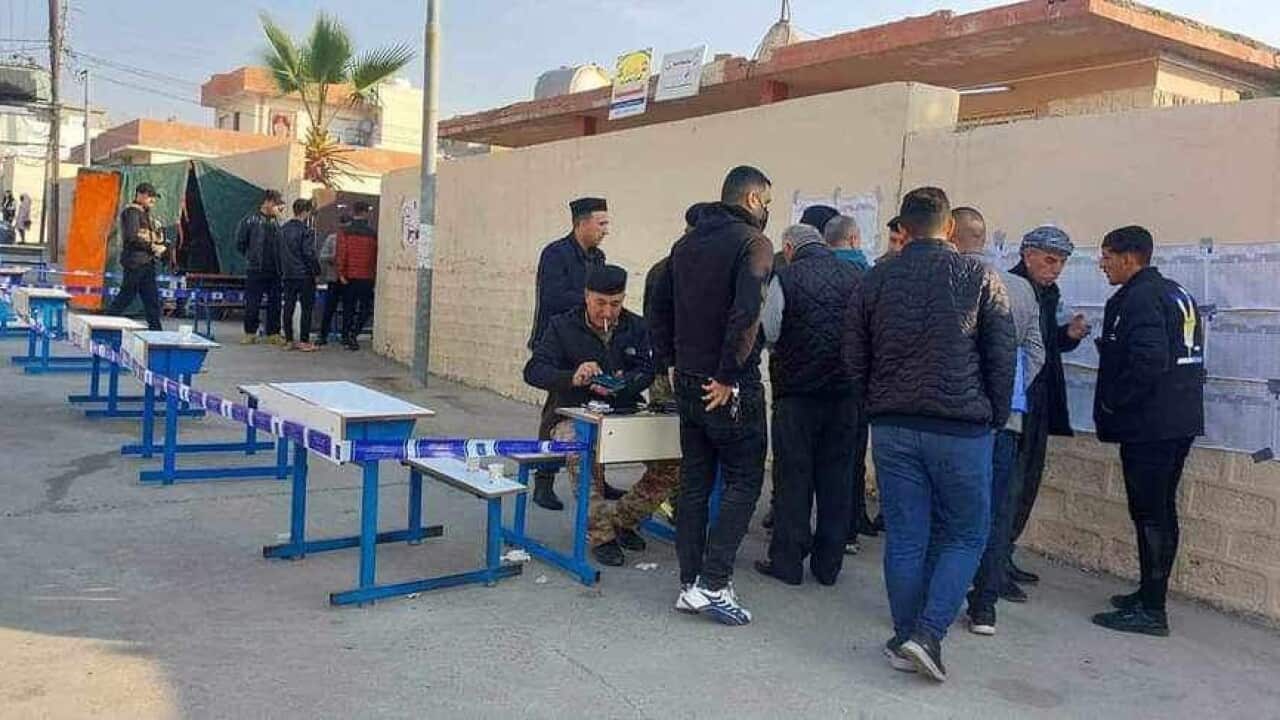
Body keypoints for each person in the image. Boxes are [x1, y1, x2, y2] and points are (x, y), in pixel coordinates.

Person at [844, 187, 1015, 682]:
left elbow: (853, 354)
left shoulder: (876, 278)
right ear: (949, 227)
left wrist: (873, 405)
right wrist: (994, 415)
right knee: (966, 533)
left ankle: (906, 636)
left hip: (893, 426)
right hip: (962, 428)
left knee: (906, 536)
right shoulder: (978, 275)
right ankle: (928, 633)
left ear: (903, 228)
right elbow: (1001, 355)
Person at [650, 165, 773, 626]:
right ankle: (714, 582)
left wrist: (669, 360)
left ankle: (690, 583)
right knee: (744, 480)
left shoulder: (685, 244)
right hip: (727, 386)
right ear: (753, 199)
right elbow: (747, 312)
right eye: (767, 202)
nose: (768, 211)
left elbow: (658, 304)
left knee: (696, 482)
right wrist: (727, 375)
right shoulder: (753, 243)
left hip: (687, 380)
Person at [523, 265, 680, 567]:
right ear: (586, 297)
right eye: (600, 303)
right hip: (570, 414)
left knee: (672, 461)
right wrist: (573, 376)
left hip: (624, 412)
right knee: (582, 452)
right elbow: (533, 371)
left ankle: (623, 519)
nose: (607, 312)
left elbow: (647, 369)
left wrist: (626, 383)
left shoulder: (636, 326)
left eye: (615, 304)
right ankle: (600, 534)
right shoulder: (562, 326)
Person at [1090, 226, 1204, 637]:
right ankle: (1148, 594)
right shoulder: (1173, 291)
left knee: (1150, 513)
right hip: (1178, 420)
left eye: (1107, 256)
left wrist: (1115, 401)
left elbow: (1148, 361)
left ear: (1129, 257)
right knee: (1160, 511)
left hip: (1151, 425)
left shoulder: (1140, 297)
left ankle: (1152, 611)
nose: (1102, 264)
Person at [951, 207, 1046, 637]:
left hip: (954, 418)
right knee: (994, 511)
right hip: (1004, 420)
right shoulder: (1021, 289)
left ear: (949, 233)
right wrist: (1004, 393)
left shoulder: (947, 279)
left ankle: (935, 603)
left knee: (947, 512)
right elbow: (1036, 353)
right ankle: (984, 607)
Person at [755, 224, 862, 587]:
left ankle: (787, 561)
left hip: (796, 395)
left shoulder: (786, 277)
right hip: (844, 396)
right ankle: (828, 565)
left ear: (789, 247)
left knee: (793, 478)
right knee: (837, 480)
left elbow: (770, 330)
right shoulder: (855, 276)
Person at [1006, 225, 1090, 598]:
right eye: (1050, 260)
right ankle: (992, 567)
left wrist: (1067, 336)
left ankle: (1004, 554)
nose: (1056, 269)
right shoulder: (1012, 289)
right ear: (1028, 256)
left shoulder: (1047, 293)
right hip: (1017, 402)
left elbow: (1044, 344)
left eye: (1061, 263)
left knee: (1027, 484)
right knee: (1010, 487)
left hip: (1040, 403)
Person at [527, 197, 612, 511]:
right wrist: (591, 300)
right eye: (601, 223)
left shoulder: (598, 257)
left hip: (586, 343)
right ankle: (544, 480)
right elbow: (554, 298)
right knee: (557, 409)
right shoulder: (556, 254)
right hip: (554, 344)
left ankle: (598, 477)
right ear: (582, 223)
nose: (606, 230)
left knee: (595, 409)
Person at [817, 215, 875, 553]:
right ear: (854, 239)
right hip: (855, 383)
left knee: (809, 462)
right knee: (848, 461)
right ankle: (845, 534)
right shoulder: (868, 276)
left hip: (810, 380)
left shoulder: (809, 271)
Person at [104, 183, 166, 330]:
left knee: (151, 299)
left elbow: (150, 236)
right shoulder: (132, 212)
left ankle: (157, 332)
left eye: (154, 197)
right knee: (126, 296)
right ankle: (104, 325)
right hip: (135, 263)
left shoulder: (145, 214)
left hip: (147, 263)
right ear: (140, 195)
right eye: (150, 196)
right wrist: (153, 247)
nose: (153, 200)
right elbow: (132, 237)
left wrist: (160, 245)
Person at [237, 190, 285, 345]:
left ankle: (273, 333)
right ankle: (250, 332)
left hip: (276, 269)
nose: (278, 207)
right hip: (256, 268)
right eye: (276, 203)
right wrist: (251, 257)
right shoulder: (250, 220)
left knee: (275, 302)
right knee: (252, 302)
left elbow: (285, 241)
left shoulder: (278, 222)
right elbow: (240, 242)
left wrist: (280, 219)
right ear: (267, 202)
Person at [278, 198, 320, 352]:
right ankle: (304, 341)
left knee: (288, 306)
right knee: (307, 308)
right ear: (306, 212)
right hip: (304, 275)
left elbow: (278, 253)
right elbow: (309, 254)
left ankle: (289, 340)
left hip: (288, 274)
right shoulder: (306, 231)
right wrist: (316, 271)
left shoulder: (282, 229)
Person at [337, 201, 378, 351]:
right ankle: (354, 334)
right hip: (367, 276)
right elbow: (375, 256)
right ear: (365, 213)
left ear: (354, 212)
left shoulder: (345, 232)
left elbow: (342, 253)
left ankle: (345, 336)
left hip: (349, 276)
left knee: (348, 308)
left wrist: (341, 273)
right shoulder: (372, 233)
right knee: (366, 308)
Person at [316, 214, 349, 346]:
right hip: (334, 278)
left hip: (347, 278)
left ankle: (345, 335)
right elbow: (322, 256)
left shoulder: (351, 239)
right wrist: (334, 257)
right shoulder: (332, 239)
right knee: (329, 308)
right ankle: (323, 335)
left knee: (348, 309)